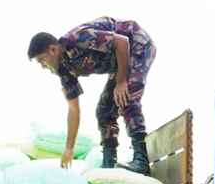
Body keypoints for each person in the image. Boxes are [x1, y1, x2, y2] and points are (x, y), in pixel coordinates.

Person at [27, 17, 156, 174]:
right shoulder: (64, 72)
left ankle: (141, 160)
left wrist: (121, 82)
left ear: (52, 50)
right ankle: (109, 163)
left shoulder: (76, 39)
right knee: (103, 111)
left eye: (42, 60)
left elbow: (122, 42)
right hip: (119, 63)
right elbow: (74, 110)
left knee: (126, 96)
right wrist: (69, 148)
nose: (42, 66)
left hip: (137, 45)